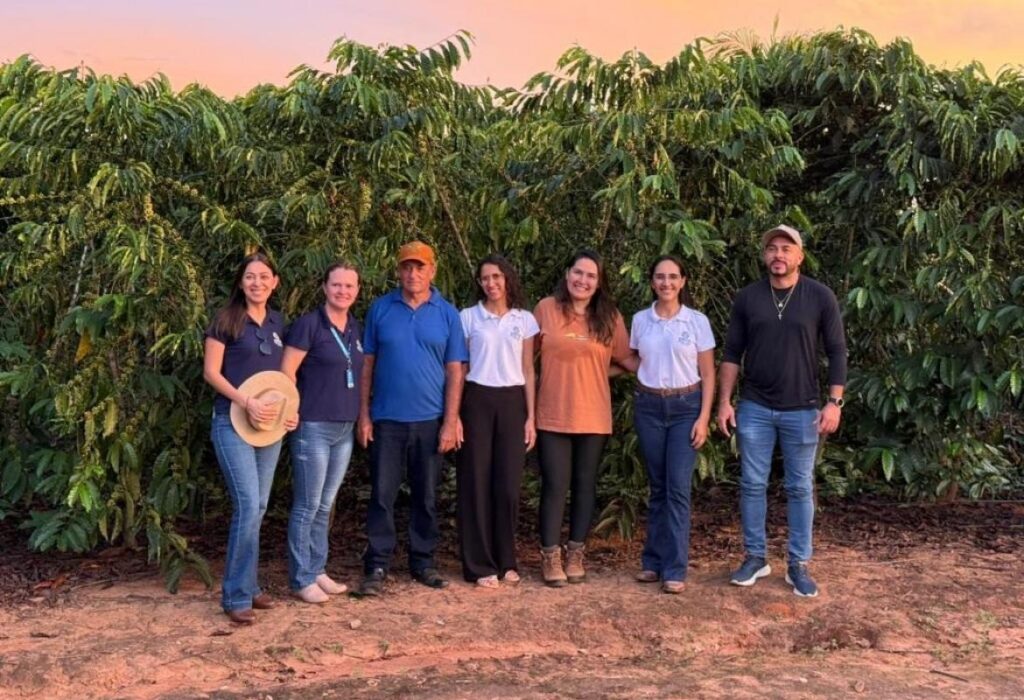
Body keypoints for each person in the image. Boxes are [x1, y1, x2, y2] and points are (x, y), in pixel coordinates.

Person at [717, 225, 847, 598]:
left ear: (799, 256)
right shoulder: (748, 298)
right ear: (764, 256)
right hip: (755, 407)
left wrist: (834, 402)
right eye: (772, 248)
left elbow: (837, 351)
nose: (778, 254)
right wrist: (724, 402)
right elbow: (732, 353)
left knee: (800, 487)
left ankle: (798, 564)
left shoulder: (820, 296)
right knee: (752, 484)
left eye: (786, 249)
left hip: (803, 409)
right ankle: (755, 557)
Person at [356, 241, 468, 595]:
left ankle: (423, 562)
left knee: (426, 496)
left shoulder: (447, 313)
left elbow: (455, 370)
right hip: (386, 420)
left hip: (430, 421)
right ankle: (377, 564)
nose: (413, 273)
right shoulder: (381, 308)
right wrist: (364, 415)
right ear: (398, 271)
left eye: (420, 267)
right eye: (407, 267)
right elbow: (367, 365)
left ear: (432, 270)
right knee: (382, 495)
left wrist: (450, 421)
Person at [203, 252, 297, 625]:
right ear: (241, 283)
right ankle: (236, 595)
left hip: (268, 427)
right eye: (249, 277)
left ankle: (250, 585)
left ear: (275, 282)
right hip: (231, 422)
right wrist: (246, 402)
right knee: (246, 505)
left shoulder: (278, 323)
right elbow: (211, 372)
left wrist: (289, 410)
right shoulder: (226, 320)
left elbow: (283, 377)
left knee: (258, 506)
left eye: (263, 276)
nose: (257, 283)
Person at [534, 249, 632, 587]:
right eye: (578, 273)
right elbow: (524, 357)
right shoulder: (546, 309)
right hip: (552, 414)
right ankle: (550, 555)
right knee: (555, 485)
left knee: (585, 486)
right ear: (567, 274)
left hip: (593, 415)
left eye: (591, 276)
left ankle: (576, 553)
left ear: (599, 283)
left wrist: (597, 372)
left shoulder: (610, 317)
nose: (583, 280)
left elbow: (628, 361)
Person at [627, 255, 716, 594]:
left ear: (683, 281)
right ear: (652, 282)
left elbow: (708, 373)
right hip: (649, 406)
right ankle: (652, 562)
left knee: (677, 488)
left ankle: (674, 568)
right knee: (658, 487)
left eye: (673, 277)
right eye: (660, 277)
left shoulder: (696, 322)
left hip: (685, 408)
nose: (667, 283)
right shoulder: (641, 320)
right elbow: (634, 360)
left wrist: (703, 418)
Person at [281, 263, 364, 604]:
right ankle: (301, 578)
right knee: (308, 504)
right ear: (325, 288)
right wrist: (290, 408)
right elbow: (287, 371)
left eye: (349, 286)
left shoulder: (355, 328)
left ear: (357, 291)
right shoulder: (309, 325)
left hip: (344, 427)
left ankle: (317, 569)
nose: (342, 291)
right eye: (336, 285)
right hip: (313, 426)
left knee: (325, 504)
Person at [456, 255, 539, 589]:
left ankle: (507, 560)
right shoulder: (467, 317)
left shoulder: (525, 320)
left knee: (507, 486)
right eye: (485, 278)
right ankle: (479, 564)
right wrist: (455, 415)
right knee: (475, 482)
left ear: (507, 279)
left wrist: (531, 417)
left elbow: (528, 369)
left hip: (512, 401)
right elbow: (460, 367)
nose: (491, 283)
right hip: (477, 398)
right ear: (479, 283)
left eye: (497, 277)